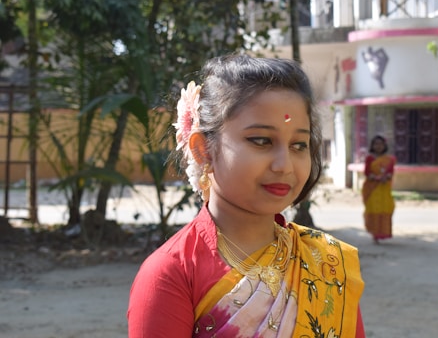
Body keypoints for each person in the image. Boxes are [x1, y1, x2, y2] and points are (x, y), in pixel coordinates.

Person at [127, 54, 366, 337]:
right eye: (262, 141)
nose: (284, 165)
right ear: (204, 149)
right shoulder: (172, 274)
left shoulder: (326, 264)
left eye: (299, 145)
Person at [361, 135, 396, 243]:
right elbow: (367, 172)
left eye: (380, 144)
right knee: (373, 209)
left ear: (384, 145)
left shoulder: (389, 159)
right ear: (372, 145)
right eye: (376, 144)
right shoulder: (369, 158)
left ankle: (383, 232)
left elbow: (390, 172)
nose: (378, 146)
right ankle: (374, 234)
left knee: (386, 208)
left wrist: (386, 177)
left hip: (384, 188)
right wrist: (376, 178)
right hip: (372, 188)